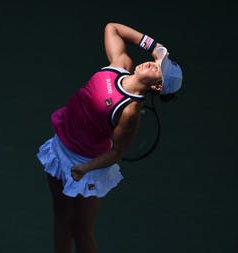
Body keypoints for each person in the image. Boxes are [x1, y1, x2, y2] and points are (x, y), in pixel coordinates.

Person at [36, 22, 183, 253]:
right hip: (60, 147)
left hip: (84, 164)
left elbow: (117, 152)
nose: (151, 64)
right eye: (156, 62)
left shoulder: (130, 111)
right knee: (61, 219)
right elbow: (111, 28)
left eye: (158, 70)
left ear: (157, 87)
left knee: (81, 230)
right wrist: (154, 46)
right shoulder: (120, 65)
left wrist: (86, 167)